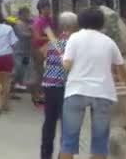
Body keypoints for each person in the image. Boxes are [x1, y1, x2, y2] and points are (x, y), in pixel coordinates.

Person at [59, 8, 126, 159]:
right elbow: (121, 70)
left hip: (76, 91)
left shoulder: (74, 38)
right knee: (100, 144)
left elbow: (67, 66)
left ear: (80, 23)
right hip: (102, 93)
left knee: (68, 141)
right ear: (101, 23)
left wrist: (63, 59)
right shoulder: (109, 42)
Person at [39, 12, 77, 159]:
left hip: (49, 85)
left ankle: (45, 155)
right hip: (64, 87)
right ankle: (65, 155)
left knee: (49, 121)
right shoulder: (73, 43)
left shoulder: (51, 42)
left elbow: (43, 54)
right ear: (74, 26)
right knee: (67, 124)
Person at [31, 1, 55, 105]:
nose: (49, 10)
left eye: (49, 8)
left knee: (46, 71)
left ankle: (44, 94)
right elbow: (37, 37)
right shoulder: (38, 21)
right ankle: (37, 95)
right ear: (41, 9)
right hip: (39, 48)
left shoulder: (49, 20)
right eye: (47, 8)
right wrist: (51, 38)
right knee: (39, 72)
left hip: (48, 47)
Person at [12, 7, 32, 91]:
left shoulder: (28, 24)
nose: (27, 16)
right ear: (20, 15)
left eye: (28, 14)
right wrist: (32, 33)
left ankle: (20, 83)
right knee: (18, 67)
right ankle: (15, 83)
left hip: (26, 50)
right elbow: (22, 34)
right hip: (18, 50)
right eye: (25, 14)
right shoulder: (18, 24)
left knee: (24, 67)